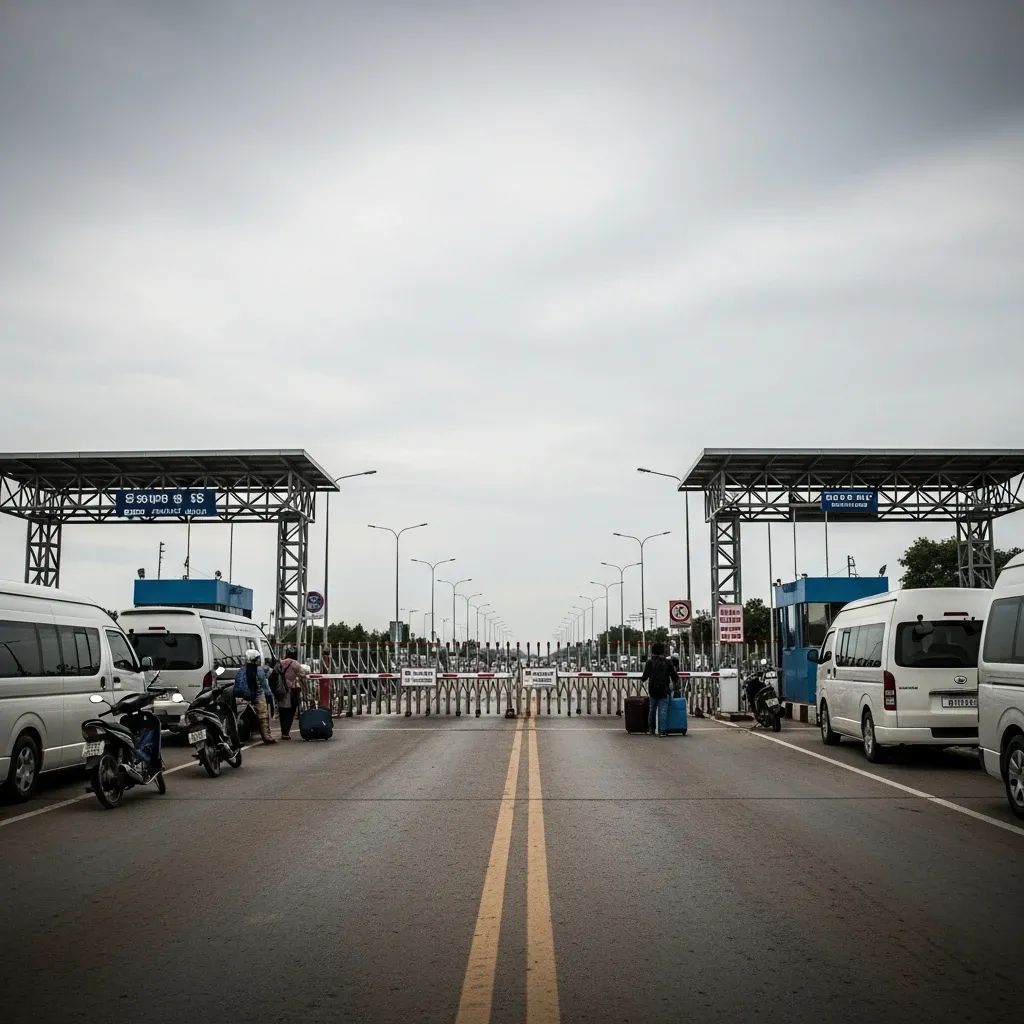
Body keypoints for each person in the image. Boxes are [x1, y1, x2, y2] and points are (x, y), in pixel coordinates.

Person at [234, 648, 276, 744]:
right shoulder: (259, 670)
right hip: (257, 694)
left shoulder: (241, 670)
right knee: (263, 714)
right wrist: (269, 696)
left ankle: (237, 737)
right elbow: (265, 686)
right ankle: (266, 736)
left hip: (241, 696)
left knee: (238, 715)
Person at [642, 642, 678, 737]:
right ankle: (662, 731)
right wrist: (674, 684)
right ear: (663, 651)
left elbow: (644, 677)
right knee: (663, 711)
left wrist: (641, 679)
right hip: (664, 689)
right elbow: (674, 676)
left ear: (652, 651)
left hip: (652, 689)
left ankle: (651, 729)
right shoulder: (667, 662)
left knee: (652, 710)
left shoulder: (649, 662)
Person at [274, 649, 309, 740]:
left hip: (280, 690)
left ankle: (283, 731)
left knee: (282, 711)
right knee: (291, 711)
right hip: (291, 690)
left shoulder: (279, 663)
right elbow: (303, 675)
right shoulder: (295, 664)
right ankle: (286, 732)